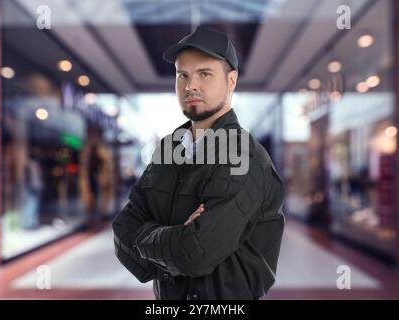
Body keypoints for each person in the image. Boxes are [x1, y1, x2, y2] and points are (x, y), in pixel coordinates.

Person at [112, 26, 285, 300]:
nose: (191, 85)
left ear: (231, 81)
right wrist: (177, 236)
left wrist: (150, 237)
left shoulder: (243, 157)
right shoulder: (170, 148)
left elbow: (194, 255)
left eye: (205, 74)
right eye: (183, 75)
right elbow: (122, 231)